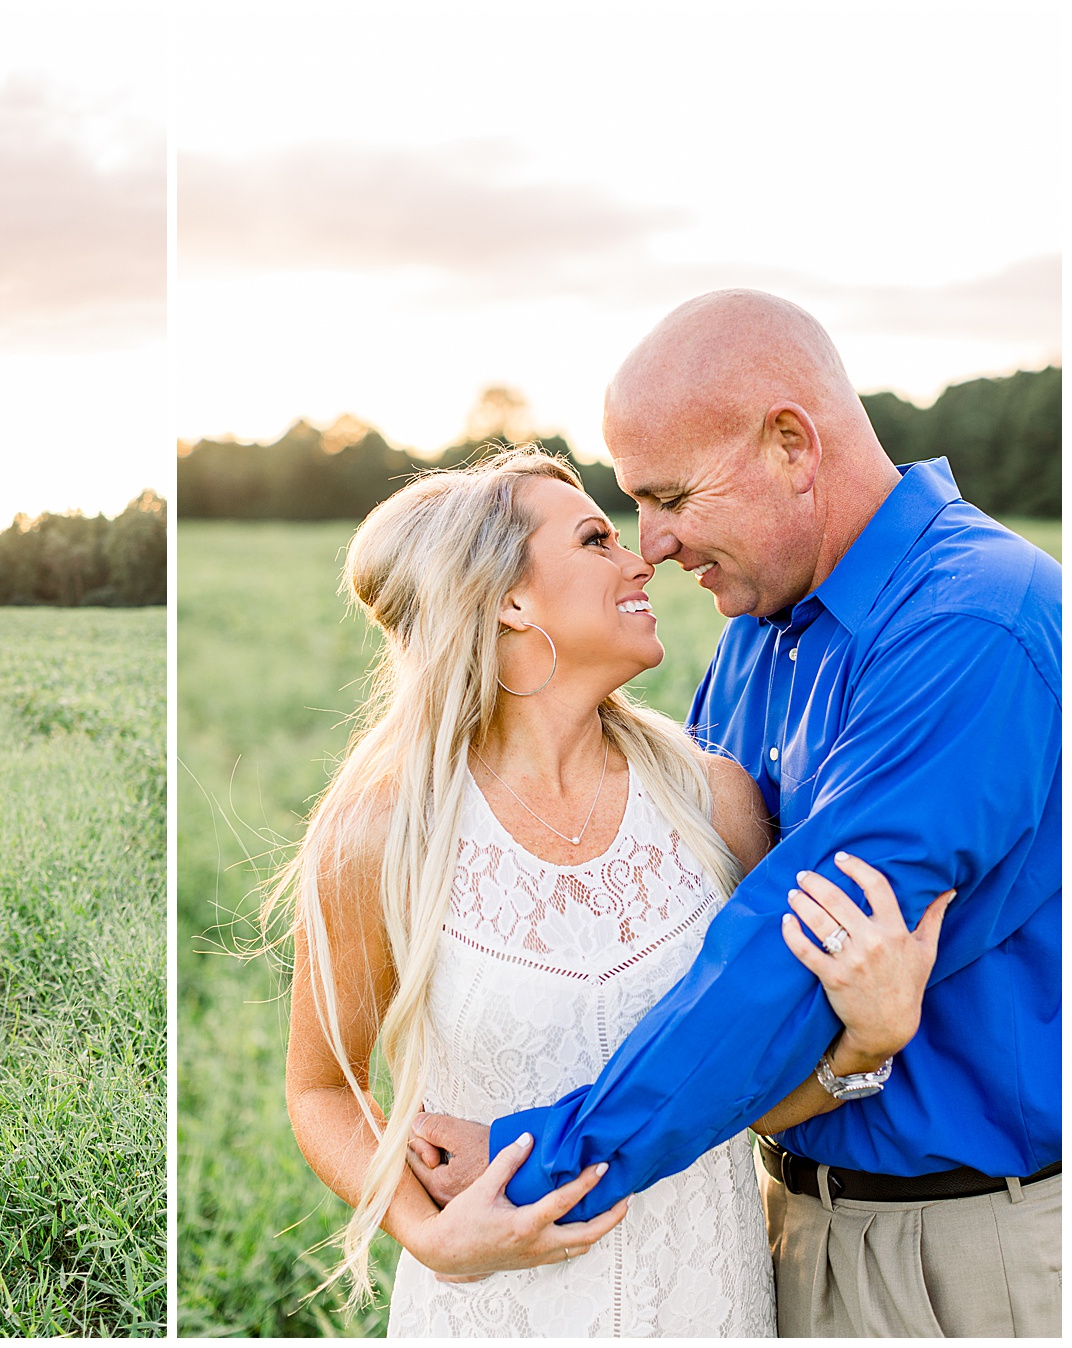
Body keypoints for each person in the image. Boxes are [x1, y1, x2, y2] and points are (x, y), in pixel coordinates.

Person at [412, 292, 1060, 1337]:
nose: (651, 545)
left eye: (669, 496)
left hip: (965, 1249)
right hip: (771, 1226)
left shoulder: (976, 621)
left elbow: (785, 953)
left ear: (791, 445)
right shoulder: (761, 627)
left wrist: (545, 1153)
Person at [279, 448, 947, 1335]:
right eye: (596, 539)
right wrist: (429, 1236)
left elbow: (737, 1094)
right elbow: (322, 1089)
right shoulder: (385, 833)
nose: (643, 558)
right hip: (494, 1312)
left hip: (708, 1302)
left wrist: (868, 1041)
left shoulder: (717, 801)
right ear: (509, 599)